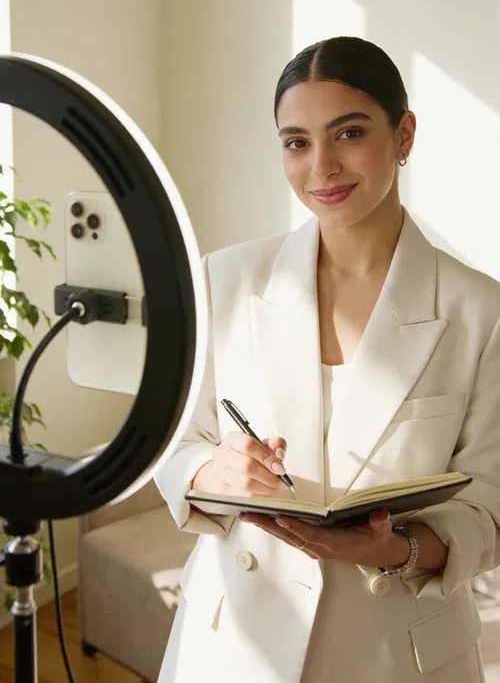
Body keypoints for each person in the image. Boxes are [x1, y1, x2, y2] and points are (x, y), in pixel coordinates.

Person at [155, 36, 500, 683]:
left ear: (404, 135)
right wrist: (213, 470)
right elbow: (174, 446)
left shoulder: (482, 311)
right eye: (296, 142)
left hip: (396, 652)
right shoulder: (224, 280)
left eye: (348, 133)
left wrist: (395, 548)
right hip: (235, 643)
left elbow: (490, 508)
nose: (322, 167)